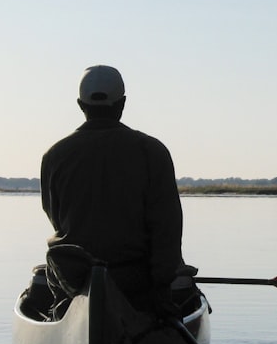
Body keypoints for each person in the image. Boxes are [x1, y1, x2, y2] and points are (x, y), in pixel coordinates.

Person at [40, 65, 189, 319]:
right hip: (136, 283)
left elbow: (55, 218)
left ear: (80, 104)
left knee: (42, 279)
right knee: (182, 284)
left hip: (75, 280)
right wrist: (163, 285)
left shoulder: (54, 156)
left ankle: (63, 317)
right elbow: (167, 228)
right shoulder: (152, 151)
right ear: (122, 104)